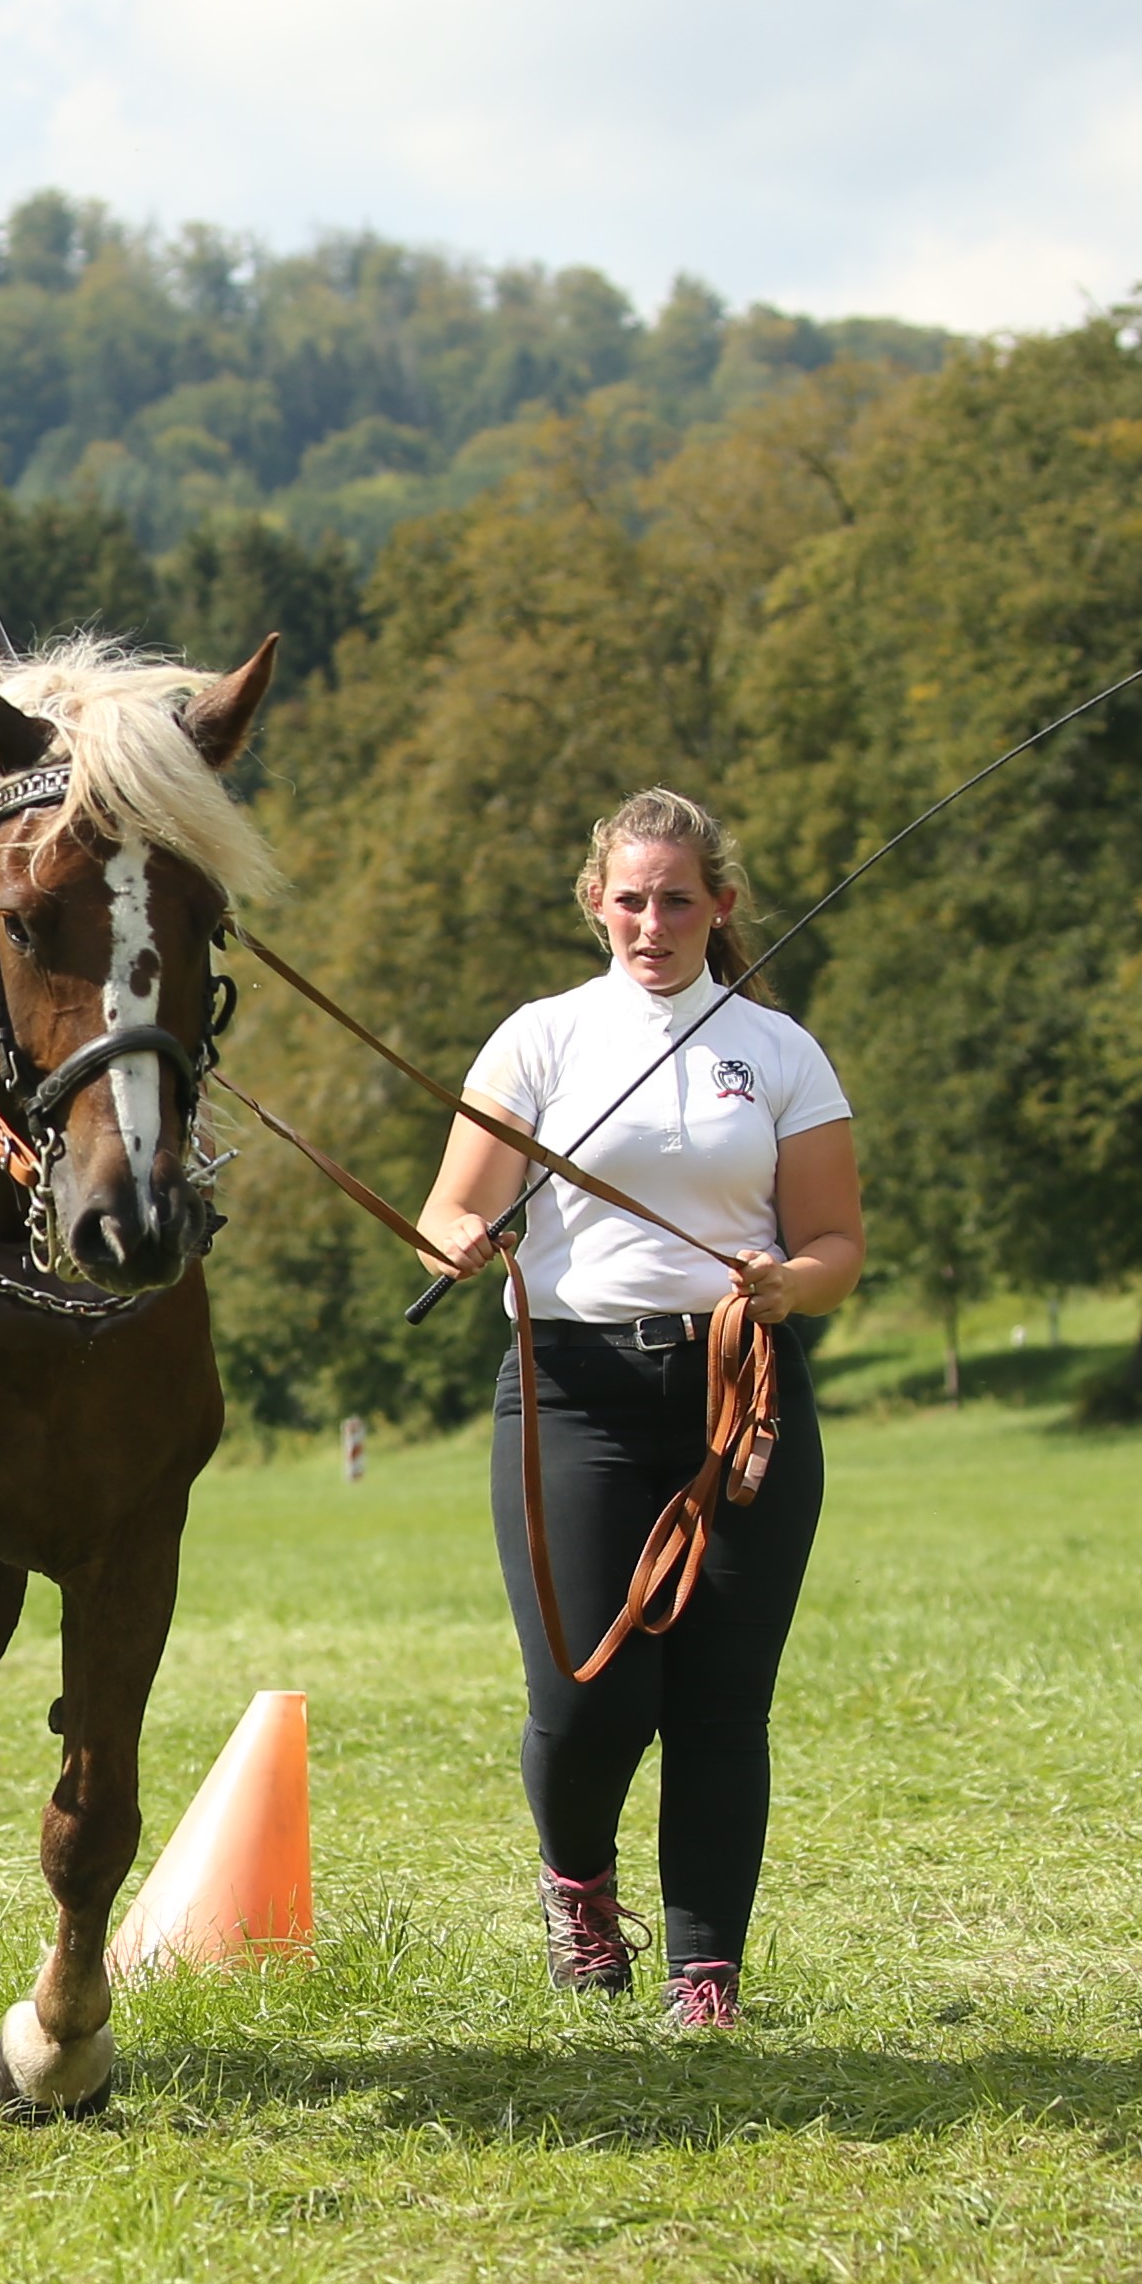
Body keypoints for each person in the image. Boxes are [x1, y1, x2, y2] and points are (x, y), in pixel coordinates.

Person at [412, 790, 864, 2028]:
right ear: (595, 904)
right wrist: (459, 1243)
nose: (651, 923)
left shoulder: (778, 1052)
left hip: (739, 1395)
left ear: (720, 905)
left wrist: (791, 1284)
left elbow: (835, 1246)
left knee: (722, 1697)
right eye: (630, 899)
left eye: (676, 899)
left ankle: (705, 1973)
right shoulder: (540, 1040)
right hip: (574, 1393)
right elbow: (449, 1210)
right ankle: (579, 1885)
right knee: (589, 1687)